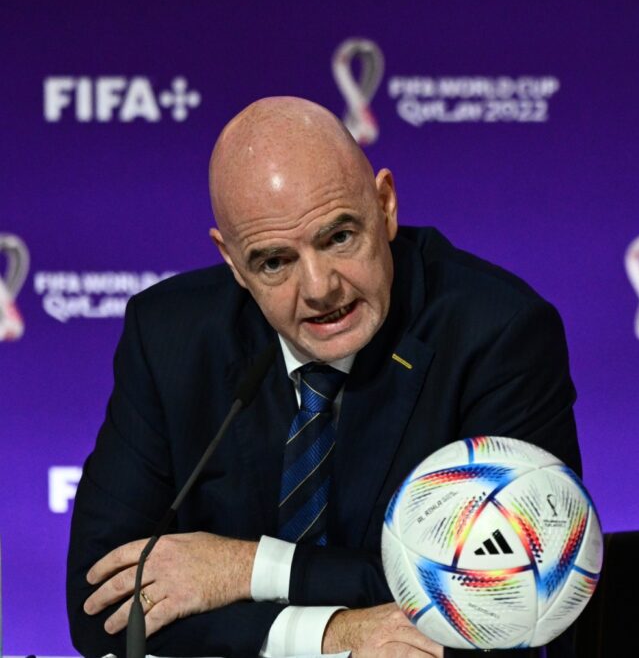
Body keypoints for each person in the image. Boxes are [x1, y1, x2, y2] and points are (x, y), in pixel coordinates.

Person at [66, 96, 582, 656]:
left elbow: (506, 591)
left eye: (339, 238)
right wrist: (332, 635)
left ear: (385, 206)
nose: (319, 288)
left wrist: (250, 568)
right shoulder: (171, 337)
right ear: (232, 262)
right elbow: (105, 605)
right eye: (274, 262)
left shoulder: (497, 334)